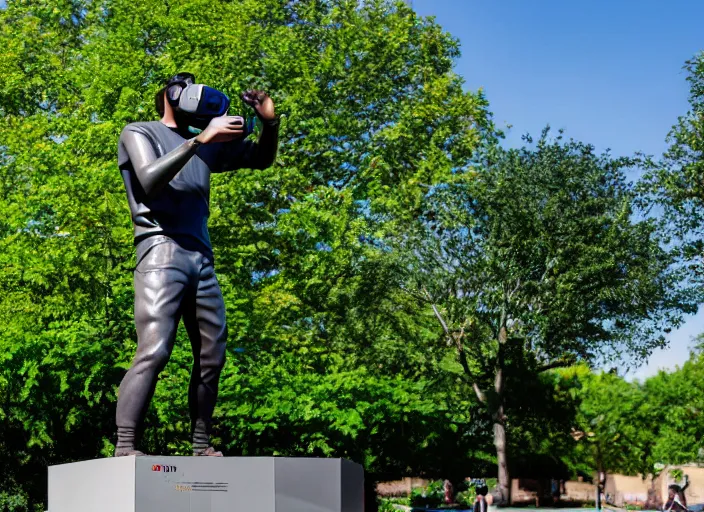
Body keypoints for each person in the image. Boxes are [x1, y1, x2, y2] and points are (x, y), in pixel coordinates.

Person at [114, 72, 279, 457]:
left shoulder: (206, 148)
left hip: (201, 258)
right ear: (170, 94)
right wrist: (200, 139)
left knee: (212, 354)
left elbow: (261, 158)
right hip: (160, 252)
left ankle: (201, 446)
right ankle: (125, 446)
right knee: (155, 350)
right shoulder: (139, 132)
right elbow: (151, 179)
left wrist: (269, 123)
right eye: (184, 84)